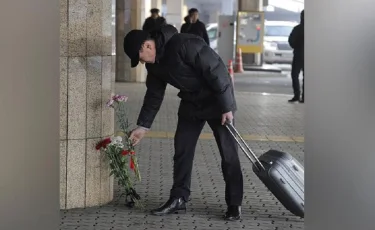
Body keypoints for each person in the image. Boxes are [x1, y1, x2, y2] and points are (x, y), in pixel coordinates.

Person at [123, 24, 244, 221]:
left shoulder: (184, 44)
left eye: (140, 58)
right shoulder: (154, 65)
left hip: (217, 102)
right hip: (191, 104)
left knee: (228, 153)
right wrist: (143, 126)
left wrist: (227, 107)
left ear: (147, 46)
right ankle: (179, 198)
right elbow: (153, 95)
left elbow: (217, 70)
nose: (142, 63)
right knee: (182, 150)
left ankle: (234, 204)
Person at [288, 10, 304, 103]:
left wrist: (296, 46)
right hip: (309, 56)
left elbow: (291, 41)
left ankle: (297, 95)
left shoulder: (297, 29)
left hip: (298, 54)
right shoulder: (313, 29)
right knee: (307, 77)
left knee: (295, 75)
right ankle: (304, 96)